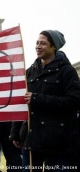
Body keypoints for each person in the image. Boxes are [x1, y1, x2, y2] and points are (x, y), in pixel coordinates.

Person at [11, 30, 80, 171]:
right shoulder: (29, 72)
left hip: (58, 142)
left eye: (43, 43)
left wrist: (37, 99)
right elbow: (21, 103)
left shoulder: (67, 71)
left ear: (53, 46)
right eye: (37, 43)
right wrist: (15, 132)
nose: (38, 46)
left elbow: (74, 101)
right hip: (31, 140)